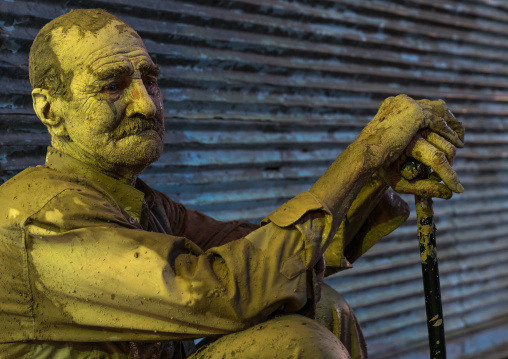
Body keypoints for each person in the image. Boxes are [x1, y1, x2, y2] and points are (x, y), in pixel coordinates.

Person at [0, 8, 464, 359]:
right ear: (48, 110)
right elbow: (226, 292)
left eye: (150, 80)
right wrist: (363, 156)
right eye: (112, 85)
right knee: (297, 343)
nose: (146, 105)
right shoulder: (44, 218)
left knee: (324, 307)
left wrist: (378, 176)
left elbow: (263, 256)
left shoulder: (139, 204)